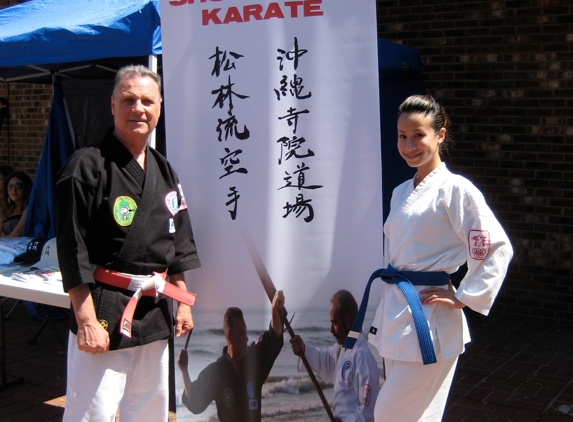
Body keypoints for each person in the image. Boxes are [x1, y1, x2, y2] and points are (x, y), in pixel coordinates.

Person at [55, 65, 201, 422]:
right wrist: (85, 318)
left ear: (159, 107)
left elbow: (178, 241)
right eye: (128, 100)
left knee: (150, 410)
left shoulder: (165, 171)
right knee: (94, 412)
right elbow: (73, 249)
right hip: (104, 311)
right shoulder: (86, 166)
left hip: (152, 313)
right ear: (112, 105)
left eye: (147, 101)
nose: (138, 108)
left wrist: (182, 302)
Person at [362, 95, 513, 421]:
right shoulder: (401, 191)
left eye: (419, 135)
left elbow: (493, 246)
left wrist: (464, 295)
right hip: (397, 315)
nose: (409, 145)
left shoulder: (456, 190)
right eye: (402, 136)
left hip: (428, 321)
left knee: (388, 414)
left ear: (440, 135)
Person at [177, 290, 285, 422]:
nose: (246, 338)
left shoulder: (254, 362)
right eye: (241, 334)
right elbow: (195, 402)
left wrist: (275, 310)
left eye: (245, 332)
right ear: (230, 337)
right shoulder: (216, 372)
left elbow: (273, 337)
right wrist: (184, 370)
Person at [290, 290, 380, 422]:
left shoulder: (362, 357)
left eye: (334, 323)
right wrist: (303, 349)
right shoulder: (342, 350)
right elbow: (324, 360)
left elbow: (368, 412)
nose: (331, 329)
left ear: (348, 320)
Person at [0, 170, 32, 237]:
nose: (13, 190)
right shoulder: (8, 209)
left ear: (25, 188)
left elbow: (14, 236)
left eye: (18, 186)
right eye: (10, 186)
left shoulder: (27, 209)